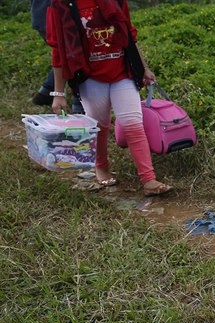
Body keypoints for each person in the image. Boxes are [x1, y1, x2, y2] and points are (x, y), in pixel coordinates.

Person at [47, 0, 172, 196]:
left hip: (123, 73)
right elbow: (58, 50)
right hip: (90, 77)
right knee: (99, 126)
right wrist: (58, 93)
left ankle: (149, 179)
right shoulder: (61, 4)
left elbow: (129, 35)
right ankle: (102, 167)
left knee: (133, 124)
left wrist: (144, 68)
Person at [30, 0, 84, 114]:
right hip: (57, 14)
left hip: (43, 13)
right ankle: (79, 101)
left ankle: (47, 90)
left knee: (71, 52)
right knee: (74, 53)